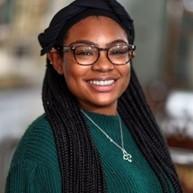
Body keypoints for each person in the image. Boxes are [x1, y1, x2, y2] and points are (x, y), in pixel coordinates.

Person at [5, 0, 183, 193]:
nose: (104, 65)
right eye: (85, 52)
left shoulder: (140, 129)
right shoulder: (41, 147)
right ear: (56, 60)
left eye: (117, 51)